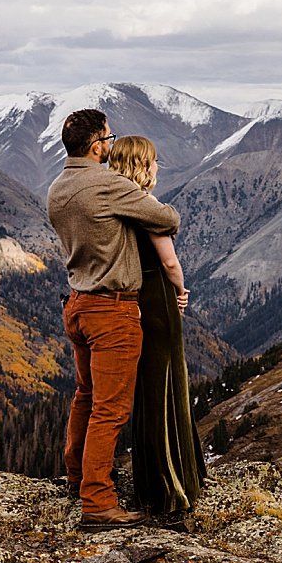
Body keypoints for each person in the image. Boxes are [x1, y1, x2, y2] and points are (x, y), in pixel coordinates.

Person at [46, 109, 180, 530]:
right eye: (109, 137)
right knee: (111, 410)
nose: (111, 143)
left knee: (85, 396)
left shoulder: (58, 187)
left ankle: (76, 476)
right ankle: (98, 502)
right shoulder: (107, 184)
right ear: (96, 146)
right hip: (113, 309)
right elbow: (167, 220)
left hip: (79, 304)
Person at [107, 136, 207, 514]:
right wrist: (180, 289)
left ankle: (151, 479)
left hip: (132, 297)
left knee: (148, 387)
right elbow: (169, 262)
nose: (158, 167)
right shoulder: (145, 205)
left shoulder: (115, 205)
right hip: (157, 297)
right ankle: (175, 480)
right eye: (153, 161)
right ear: (142, 165)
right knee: (167, 383)